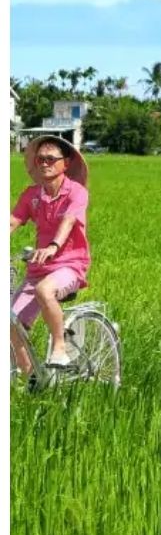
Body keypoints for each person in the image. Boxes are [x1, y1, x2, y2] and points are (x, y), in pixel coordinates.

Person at [10, 136, 92, 371]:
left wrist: (53, 247)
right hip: (38, 268)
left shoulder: (76, 192)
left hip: (70, 264)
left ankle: (60, 349)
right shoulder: (32, 195)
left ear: (65, 163)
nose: (44, 163)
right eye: (40, 159)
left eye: (50, 159)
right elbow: (13, 221)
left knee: (45, 290)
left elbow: (68, 221)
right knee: (11, 323)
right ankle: (33, 380)